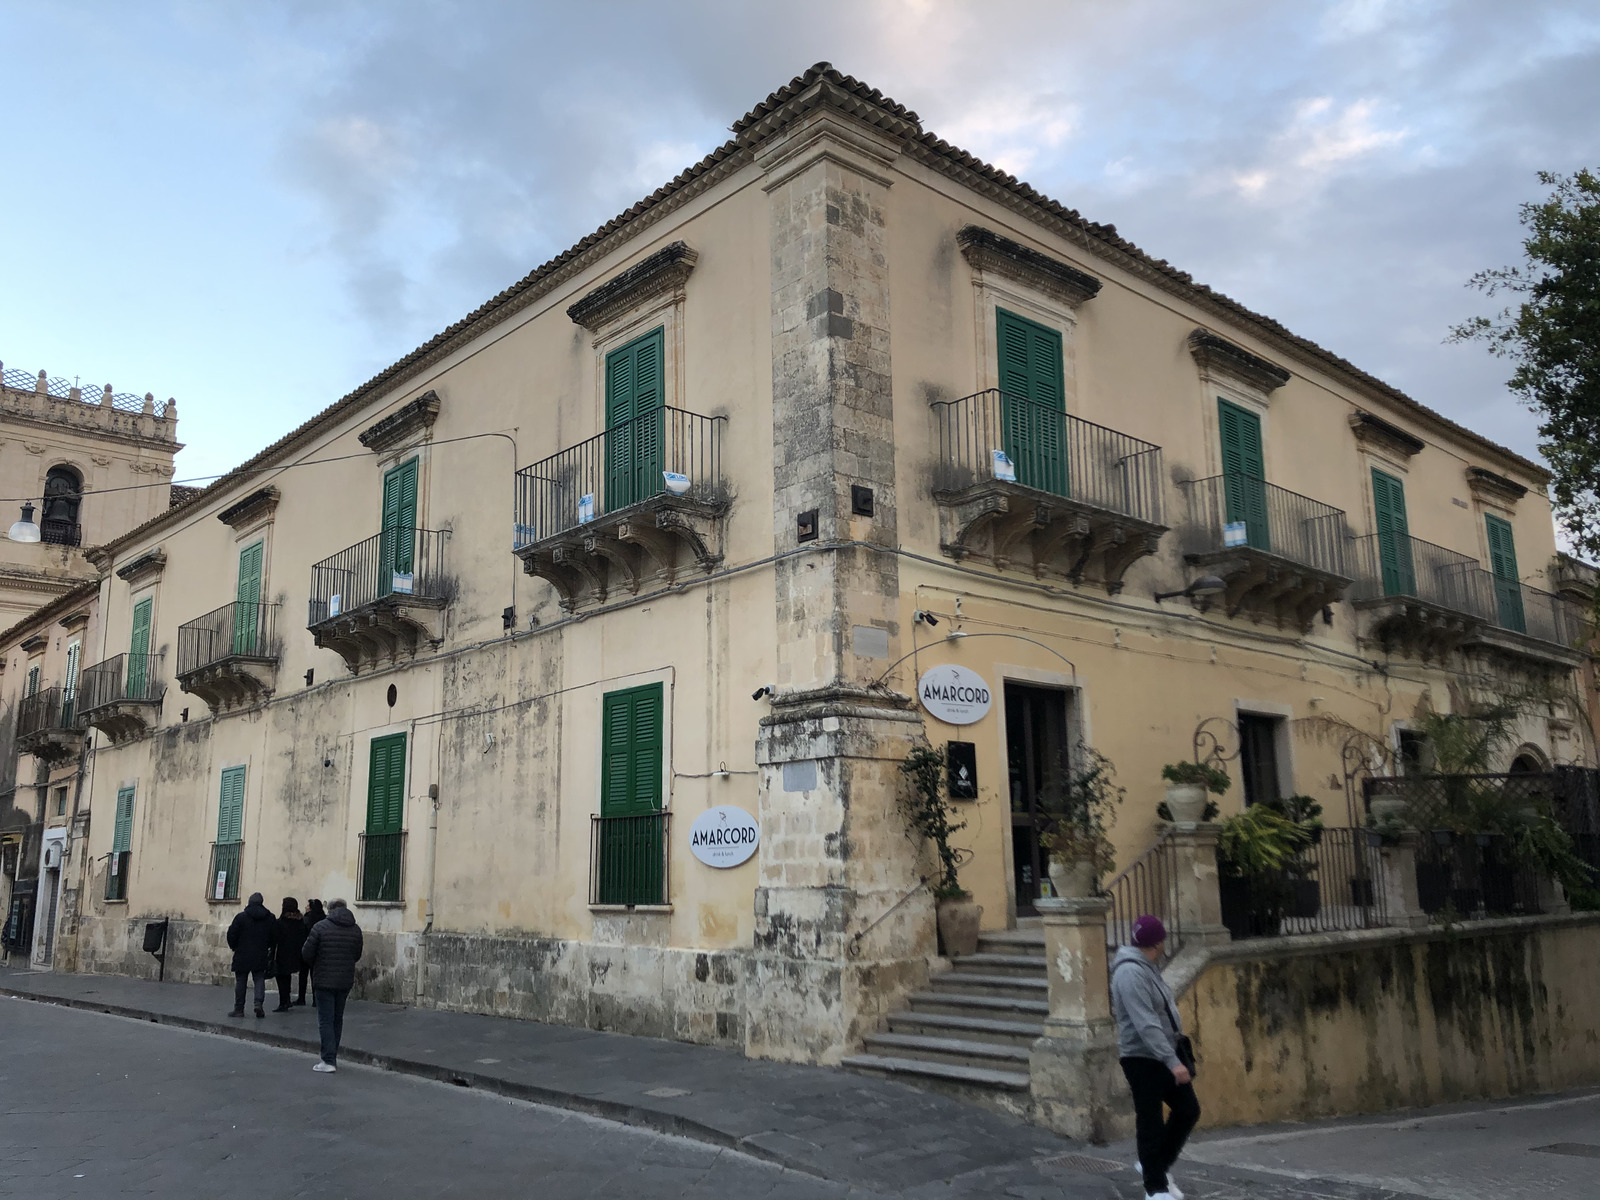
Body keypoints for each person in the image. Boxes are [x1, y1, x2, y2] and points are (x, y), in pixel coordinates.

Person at [1110, 915, 1200, 1200]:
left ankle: (1155, 1166)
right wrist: (1172, 1062)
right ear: (1158, 943)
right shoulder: (1131, 973)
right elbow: (1145, 1022)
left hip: (1164, 1052)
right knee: (1150, 1120)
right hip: (1142, 1057)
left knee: (1188, 1110)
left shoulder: (1147, 967)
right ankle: (1155, 1188)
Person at [301, 897, 362, 1073]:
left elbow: (306, 953)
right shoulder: (355, 929)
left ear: (330, 910)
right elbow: (356, 954)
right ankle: (331, 1055)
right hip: (344, 979)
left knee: (325, 1020)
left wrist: (318, 963)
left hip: (323, 979)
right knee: (337, 1019)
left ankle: (328, 1060)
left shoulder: (320, 927)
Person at [225, 892, 277, 1019]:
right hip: (260, 953)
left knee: (241, 981)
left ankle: (239, 1009)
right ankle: (258, 1004)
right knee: (259, 979)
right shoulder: (270, 918)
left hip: (242, 953)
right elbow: (274, 936)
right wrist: (267, 946)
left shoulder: (241, 917)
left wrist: (235, 946)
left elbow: (231, 934)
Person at [272, 897, 310, 1011]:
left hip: (283, 953)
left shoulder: (281, 922)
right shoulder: (300, 921)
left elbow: (274, 937)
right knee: (287, 976)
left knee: (282, 977)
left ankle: (284, 1001)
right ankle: (286, 1000)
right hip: (297, 953)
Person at [302, 899, 327, 1003]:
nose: (306, 907)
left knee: (303, 974)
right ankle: (315, 999)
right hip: (320, 951)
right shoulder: (324, 919)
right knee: (315, 975)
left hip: (307, 948)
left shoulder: (306, 919)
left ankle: (301, 997)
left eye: (308, 906)